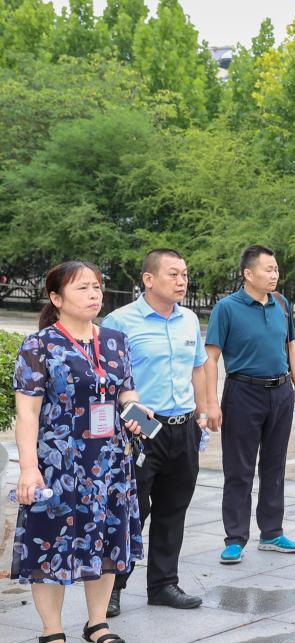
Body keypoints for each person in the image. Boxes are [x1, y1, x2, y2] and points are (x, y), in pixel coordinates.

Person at [12, 261, 148, 643]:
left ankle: (96, 624)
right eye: (82, 288)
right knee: (50, 545)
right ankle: (51, 632)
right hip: (59, 465)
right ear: (56, 298)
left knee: (107, 541)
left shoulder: (116, 341)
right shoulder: (39, 346)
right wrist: (29, 468)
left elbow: (125, 391)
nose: (94, 295)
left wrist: (135, 410)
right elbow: (27, 413)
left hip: (110, 462)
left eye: (97, 287)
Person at [102, 249, 207, 617]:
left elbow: (198, 367)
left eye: (184, 274)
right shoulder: (120, 321)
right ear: (148, 279)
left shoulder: (189, 319)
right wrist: (132, 419)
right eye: (173, 274)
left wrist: (203, 412)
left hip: (183, 426)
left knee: (173, 508)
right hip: (142, 429)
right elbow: (108, 380)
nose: (182, 281)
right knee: (133, 510)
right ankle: (112, 588)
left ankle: (163, 584)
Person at [204, 245, 295, 564]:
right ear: (248, 274)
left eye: (276, 269)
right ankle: (235, 538)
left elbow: (290, 347)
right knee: (239, 469)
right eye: (268, 269)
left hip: (281, 392)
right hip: (243, 393)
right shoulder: (227, 308)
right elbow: (211, 357)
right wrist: (211, 403)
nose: (275, 275)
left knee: (275, 465)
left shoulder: (281, 304)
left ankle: (272, 532)